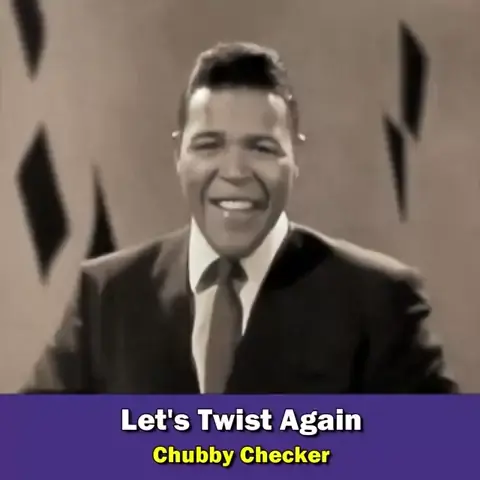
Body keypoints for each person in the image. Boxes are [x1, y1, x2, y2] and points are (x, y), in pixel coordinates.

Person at [23, 42, 458, 394]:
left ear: (295, 158)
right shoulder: (106, 296)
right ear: (178, 155)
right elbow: (32, 450)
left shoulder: (379, 302)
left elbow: (434, 455)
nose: (234, 171)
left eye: (261, 148)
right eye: (209, 145)